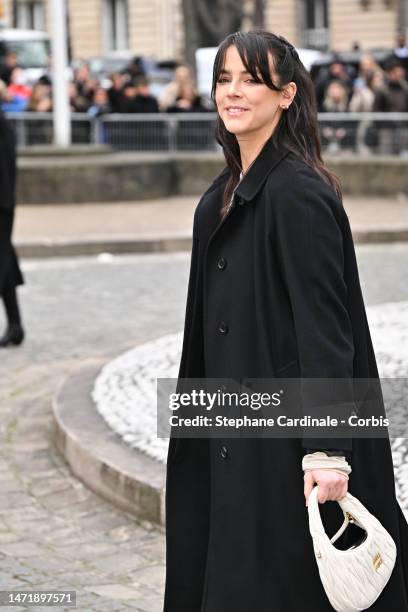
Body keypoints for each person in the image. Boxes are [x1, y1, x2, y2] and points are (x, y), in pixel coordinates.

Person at [163, 30, 408, 611]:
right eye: (224, 79)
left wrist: (326, 451)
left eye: (252, 79)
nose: (233, 92)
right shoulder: (220, 195)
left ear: (287, 95)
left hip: (284, 446)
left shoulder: (297, 193)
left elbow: (327, 332)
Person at [0, 111, 24, 347]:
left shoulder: (3, 127)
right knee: (5, 265)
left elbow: (6, 170)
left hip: (1, 208)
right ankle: (15, 325)